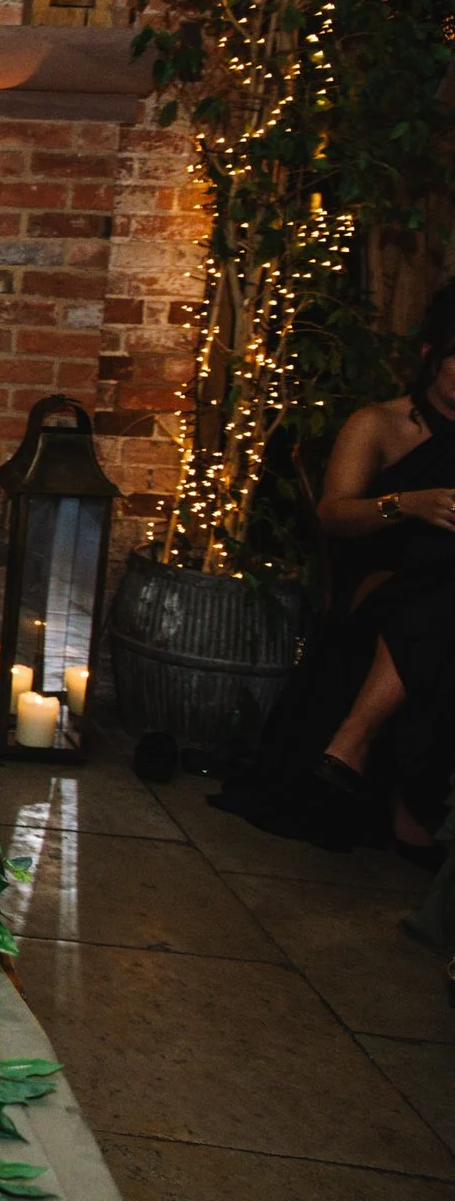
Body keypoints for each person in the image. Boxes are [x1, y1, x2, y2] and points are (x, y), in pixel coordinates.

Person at [215, 282, 455, 863]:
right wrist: (407, 504)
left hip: (440, 596)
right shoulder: (379, 424)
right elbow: (333, 515)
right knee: (437, 589)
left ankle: (361, 752)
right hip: (380, 584)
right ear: (431, 357)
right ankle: (371, 759)